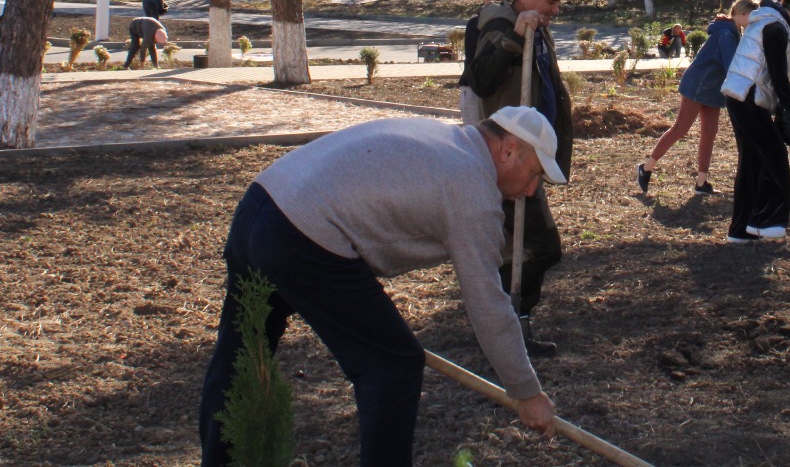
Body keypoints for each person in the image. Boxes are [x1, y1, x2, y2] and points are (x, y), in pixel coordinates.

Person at [198, 106, 562, 467]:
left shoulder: (444, 139)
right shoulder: (472, 187)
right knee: (393, 366)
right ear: (509, 149)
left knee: (243, 354)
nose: (531, 191)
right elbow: (488, 304)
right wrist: (526, 392)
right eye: (534, 175)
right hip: (303, 234)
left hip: (259, 206)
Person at [466, 0, 573, 355]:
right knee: (540, 246)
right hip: (505, 161)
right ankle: (504, 328)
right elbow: (482, 80)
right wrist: (514, 36)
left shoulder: (538, 28)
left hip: (526, 158)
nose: (555, 10)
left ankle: (511, 327)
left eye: (559, 3)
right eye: (551, 1)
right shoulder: (499, 25)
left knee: (525, 246)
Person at [719, 0, 790, 243]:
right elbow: (776, 74)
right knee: (775, 159)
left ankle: (740, 230)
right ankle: (767, 222)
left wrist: (785, 102)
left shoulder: (764, 20)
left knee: (751, 162)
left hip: (738, 95)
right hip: (749, 98)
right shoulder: (775, 27)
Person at [637, 0, 760, 195]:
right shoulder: (726, 34)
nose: (752, 22)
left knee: (710, 133)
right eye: (750, 16)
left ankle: (701, 183)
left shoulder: (733, 31)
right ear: (739, 13)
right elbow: (732, 66)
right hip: (698, 84)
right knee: (680, 129)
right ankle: (645, 167)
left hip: (713, 87)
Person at [457, 0, 508, 125]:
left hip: (493, 88)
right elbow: (475, 57)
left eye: (504, 2)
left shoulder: (507, 23)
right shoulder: (476, 22)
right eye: (497, 0)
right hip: (474, 87)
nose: (501, 6)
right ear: (486, 0)